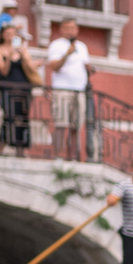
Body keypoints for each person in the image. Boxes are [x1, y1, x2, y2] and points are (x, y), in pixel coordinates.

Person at [42, 17, 92, 160]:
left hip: (79, 90)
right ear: (61, 29)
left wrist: (89, 68)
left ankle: (73, 156)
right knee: (61, 124)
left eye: (74, 28)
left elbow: (85, 64)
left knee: (76, 126)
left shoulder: (82, 46)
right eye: (68, 28)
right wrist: (67, 54)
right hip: (62, 90)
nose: (71, 31)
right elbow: (54, 66)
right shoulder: (56, 45)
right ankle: (58, 155)